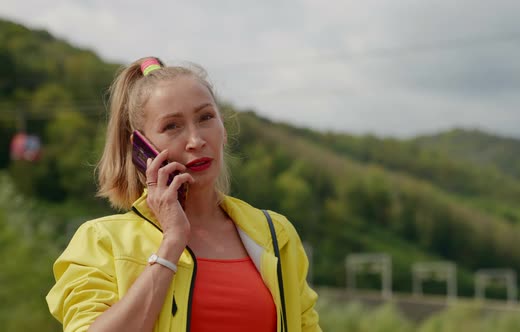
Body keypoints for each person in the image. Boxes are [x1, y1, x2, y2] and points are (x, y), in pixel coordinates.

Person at [46, 57, 321, 332]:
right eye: (172, 126)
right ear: (142, 146)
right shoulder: (102, 241)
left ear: (223, 128)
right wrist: (172, 243)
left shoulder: (275, 234)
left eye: (206, 118)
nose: (195, 140)